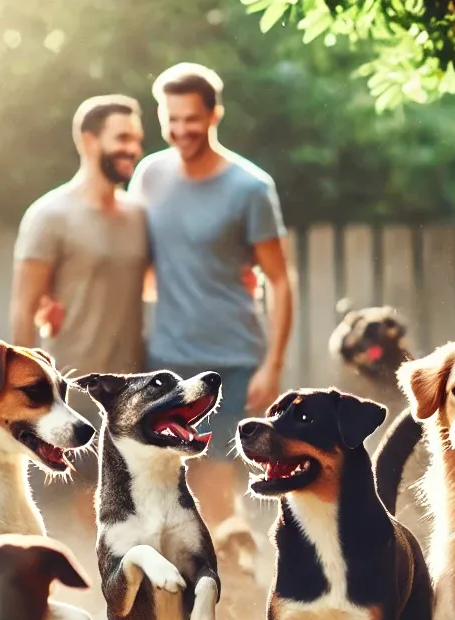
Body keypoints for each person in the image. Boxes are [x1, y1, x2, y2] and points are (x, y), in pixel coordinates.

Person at [129, 62, 293, 532]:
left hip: (232, 358)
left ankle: (235, 574)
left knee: (215, 472)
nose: (180, 130)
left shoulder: (250, 188)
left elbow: (281, 279)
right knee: (173, 476)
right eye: (171, 119)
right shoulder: (149, 175)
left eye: (191, 119)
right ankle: (213, 566)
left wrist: (273, 364)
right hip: (165, 356)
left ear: (214, 115)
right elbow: (137, 261)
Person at [11, 94, 150, 411]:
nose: (134, 149)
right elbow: (24, 311)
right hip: (70, 390)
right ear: (89, 141)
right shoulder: (49, 214)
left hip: (133, 395)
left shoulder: (140, 215)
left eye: (137, 140)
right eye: (122, 138)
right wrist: (27, 395)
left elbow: (155, 282)